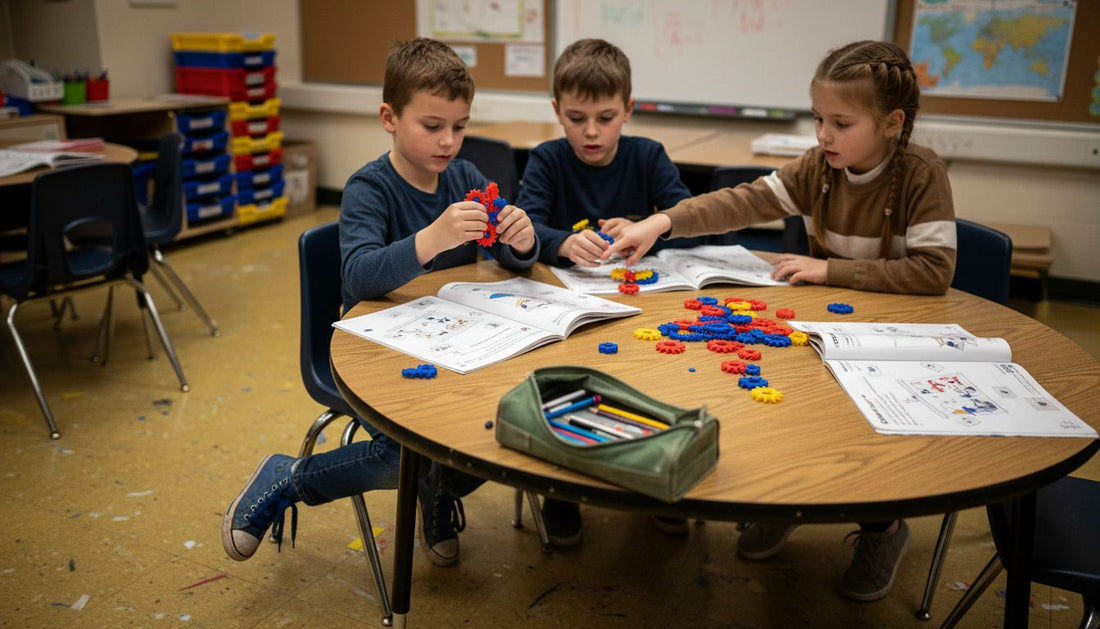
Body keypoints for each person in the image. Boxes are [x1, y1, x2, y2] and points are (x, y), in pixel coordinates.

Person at [604, 40, 957, 601]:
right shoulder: (819, 167)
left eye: (840, 123)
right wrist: (662, 221)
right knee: (799, 414)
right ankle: (792, 500)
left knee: (866, 433)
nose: (823, 135)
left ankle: (883, 528)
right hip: (825, 329)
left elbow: (933, 271)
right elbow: (741, 201)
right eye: (818, 119)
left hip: (893, 340)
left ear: (891, 123)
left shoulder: (919, 174)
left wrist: (831, 269)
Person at [221, 37, 539, 567]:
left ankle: (433, 489)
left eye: (459, 127)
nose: (449, 142)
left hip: (449, 344)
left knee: (498, 428)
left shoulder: (462, 177)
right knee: (404, 455)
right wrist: (429, 239)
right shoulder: (368, 187)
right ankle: (290, 477)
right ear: (389, 118)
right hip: (373, 349)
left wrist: (522, 243)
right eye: (432, 126)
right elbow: (360, 275)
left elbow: (501, 256)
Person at [513, 37, 698, 544]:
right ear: (557, 111)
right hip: (568, 305)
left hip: (643, 306)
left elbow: (688, 221)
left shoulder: (648, 156)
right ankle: (561, 490)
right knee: (565, 386)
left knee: (659, 382)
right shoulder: (548, 160)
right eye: (576, 118)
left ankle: (659, 476)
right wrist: (564, 242)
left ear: (628, 109)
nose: (591, 131)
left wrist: (647, 224)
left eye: (606, 117)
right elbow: (525, 225)